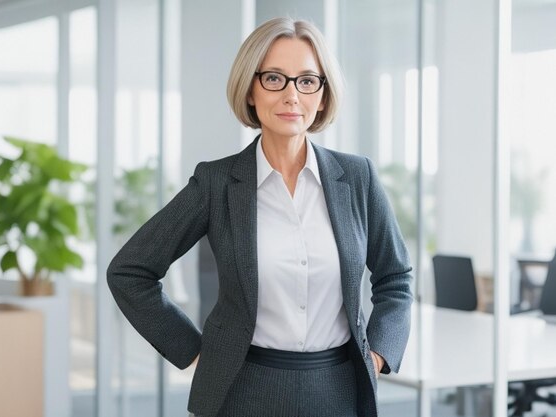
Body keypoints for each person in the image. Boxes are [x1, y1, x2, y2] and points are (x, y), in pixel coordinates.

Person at [107, 16, 412, 417]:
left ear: (322, 94)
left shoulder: (357, 178)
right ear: (250, 90)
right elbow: (130, 272)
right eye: (274, 79)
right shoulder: (216, 183)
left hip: (338, 392)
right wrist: (196, 353)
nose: (291, 95)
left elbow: (395, 278)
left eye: (307, 80)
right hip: (242, 392)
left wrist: (377, 355)